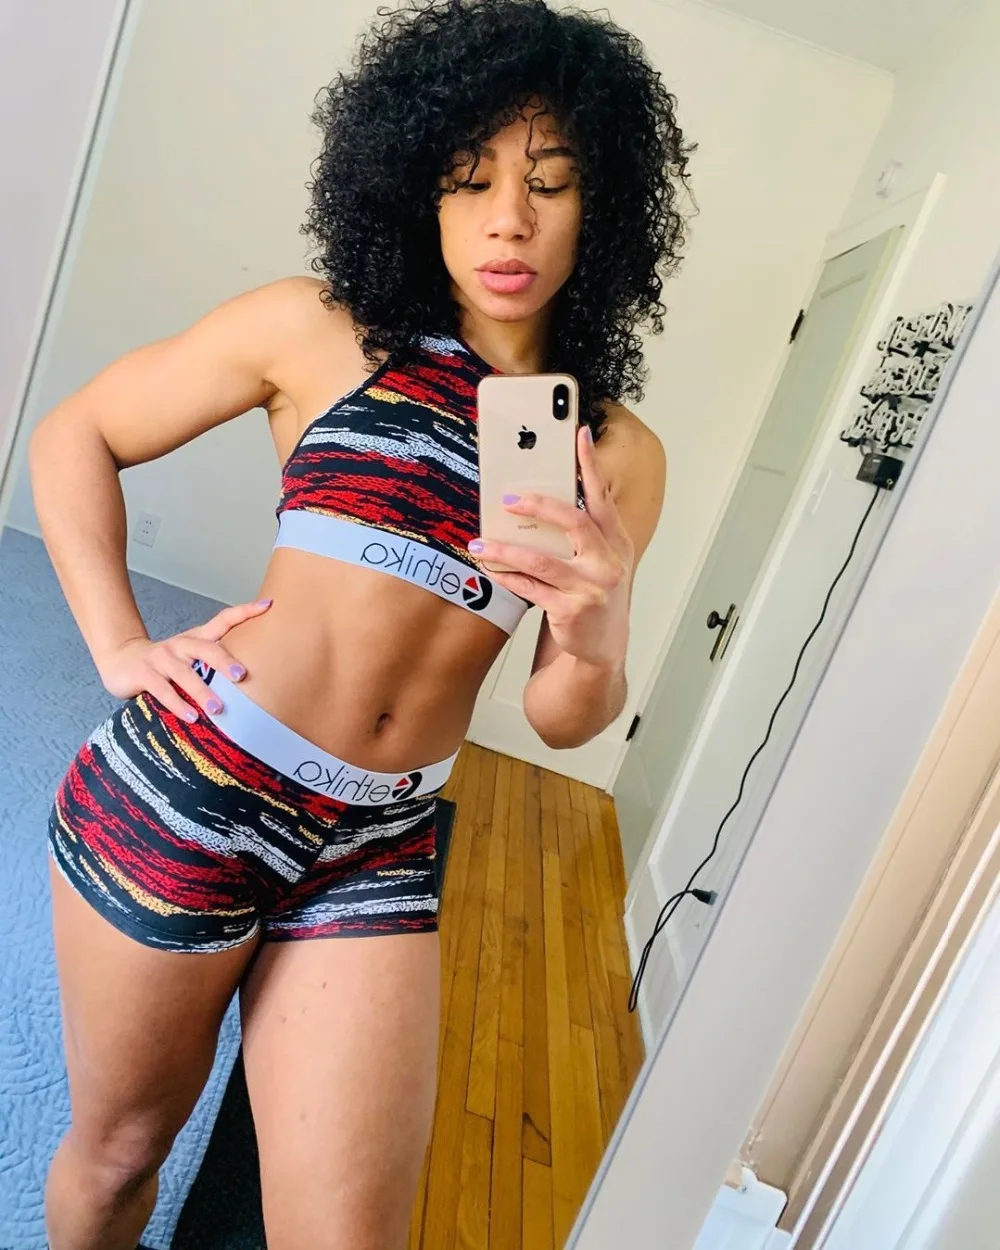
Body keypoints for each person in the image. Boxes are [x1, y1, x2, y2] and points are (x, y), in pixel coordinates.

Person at [30, 1, 691, 1246]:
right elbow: (79, 433)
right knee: (119, 1158)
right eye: (469, 179)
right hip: (198, 786)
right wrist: (120, 644)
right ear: (414, 187)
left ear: (602, 208)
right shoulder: (319, 328)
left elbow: (561, 718)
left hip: (379, 837)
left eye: (550, 183)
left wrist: (597, 630)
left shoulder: (614, 452)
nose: (508, 218)